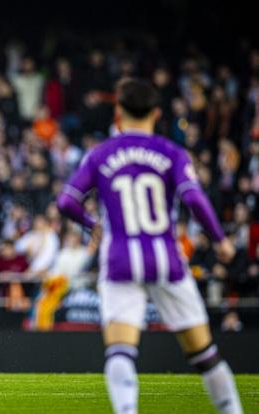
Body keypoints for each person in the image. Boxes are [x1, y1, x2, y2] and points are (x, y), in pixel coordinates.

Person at [57, 78, 242, 414]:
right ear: (157, 113)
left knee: (121, 352)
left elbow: (67, 201)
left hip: (120, 259)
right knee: (205, 354)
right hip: (166, 258)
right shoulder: (172, 152)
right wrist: (220, 240)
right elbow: (195, 199)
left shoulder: (100, 154)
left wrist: (93, 226)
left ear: (117, 112)